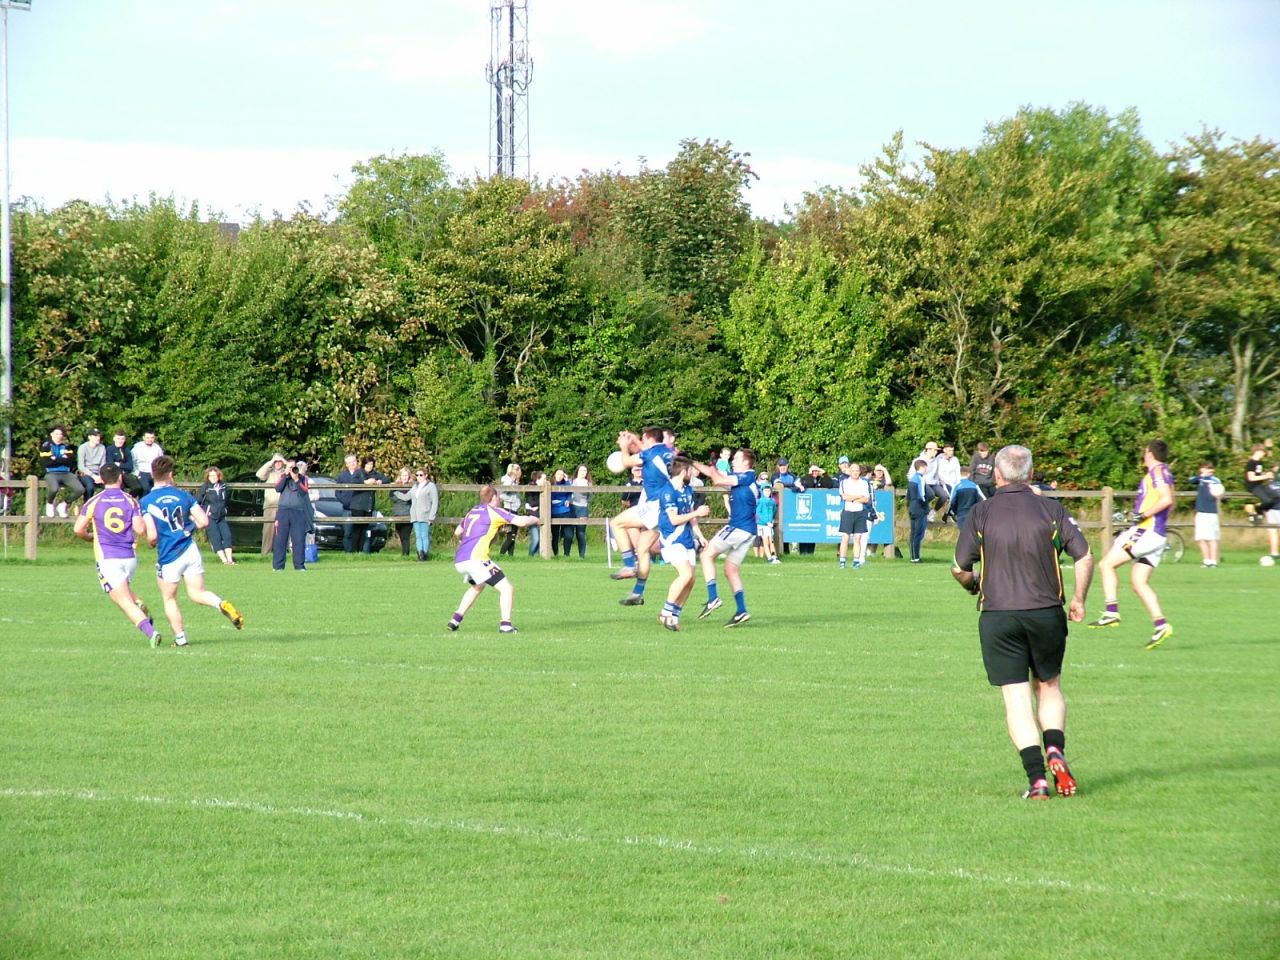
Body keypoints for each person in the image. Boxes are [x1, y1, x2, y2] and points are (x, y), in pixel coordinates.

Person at [952, 444, 1094, 800]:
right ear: (1031, 473)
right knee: (1048, 686)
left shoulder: (982, 512)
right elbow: (1085, 556)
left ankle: (1038, 781)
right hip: (1046, 611)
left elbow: (959, 567)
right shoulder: (1052, 509)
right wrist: (1079, 599)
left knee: (1016, 699)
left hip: (999, 615)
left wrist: (974, 585)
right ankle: (1055, 750)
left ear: (995, 474)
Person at [141, 455, 244, 646]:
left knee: (169, 598)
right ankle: (221, 604)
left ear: (152, 475)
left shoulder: (147, 501)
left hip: (169, 555)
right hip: (190, 550)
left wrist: (150, 542)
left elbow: (153, 535)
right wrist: (189, 528)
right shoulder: (184, 495)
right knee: (197, 593)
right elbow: (204, 521)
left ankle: (180, 639)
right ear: (170, 475)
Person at [1088, 439, 1176, 649]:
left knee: (1106, 565)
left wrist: (1144, 515)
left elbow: (1166, 500)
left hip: (1146, 532)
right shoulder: (1166, 473)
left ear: (1150, 454)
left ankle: (1111, 612)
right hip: (1157, 535)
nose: (1144, 456)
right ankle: (1161, 624)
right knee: (1139, 582)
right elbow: (1171, 503)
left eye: (1145, 452)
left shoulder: (1156, 472)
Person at [73, 463, 161, 648]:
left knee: (122, 601)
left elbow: (78, 529)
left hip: (108, 558)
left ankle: (151, 632)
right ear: (120, 478)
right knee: (123, 590)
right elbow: (139, 529)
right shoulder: (130, 500)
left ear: (102, 479)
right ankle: (139, 603)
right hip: (129, 557)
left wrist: (90, 537)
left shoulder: (94, 501)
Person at [447, 484, 538, 634]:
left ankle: (455, 620)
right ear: (494, 497)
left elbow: (458, 532)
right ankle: (506, 625)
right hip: (477, 560)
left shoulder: (472, 511)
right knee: (506, 588)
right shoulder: (494, 511)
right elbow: (521, 522)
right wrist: (535, 519)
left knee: (477, 586)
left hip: (460, 560)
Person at [694, 447, 760, 627]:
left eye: (737, 458)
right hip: (748, 531)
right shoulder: (739, 478)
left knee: (706, 555)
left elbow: (716, 480)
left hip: (738, 527)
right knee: (730, 569)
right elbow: (715, 475)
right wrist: (691, 462)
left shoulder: (746, 476)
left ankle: (713, 597)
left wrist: (709, 469)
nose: (733, 460)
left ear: (746, 462)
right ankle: (741, 610)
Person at [609, 427, 674, 589]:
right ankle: (637, 593)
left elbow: (626, 462)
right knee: (643, 549)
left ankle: (629, 565)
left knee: (616, 523)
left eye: (643, 439)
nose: (642, 442)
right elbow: (646, 450)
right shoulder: (666, 451)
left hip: (655, 505)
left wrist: (624, 447)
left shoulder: (649, 454)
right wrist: (634, 439)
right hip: (666, 505)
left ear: (650, 439)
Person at [654, 457, 711, 630]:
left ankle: (674, 615)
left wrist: (700, 536)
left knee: (691, 579)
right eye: (691, 470)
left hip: (686, 539)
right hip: (672, 539)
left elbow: (690, 516)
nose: (693, 473)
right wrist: (698, 512)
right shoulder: (668, 491)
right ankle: (665, 613)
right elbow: (673, 519)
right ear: (684, 472)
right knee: (685, 575)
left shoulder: (687, 490)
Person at [272, 458, 311, 572]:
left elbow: (304, 492)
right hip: (283, 512)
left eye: (293, 467)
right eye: (289, 467)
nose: (292, 469)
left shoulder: (303, 478)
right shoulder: (283, 477)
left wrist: (296, 479)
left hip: (298, 512)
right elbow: (277, 488)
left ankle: (299, 566)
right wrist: (286, 475)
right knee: (280, 540)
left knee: (298, 539)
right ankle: (278, 566)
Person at [39, 425, 85, 518]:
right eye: (56, 434)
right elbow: (46, 463)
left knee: (80, 489)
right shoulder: (46, 446)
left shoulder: (66, 446)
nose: (59, 436)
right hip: (51, 473)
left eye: (60, 434)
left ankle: (64, 504)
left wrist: (55, 459)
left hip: (66, 473)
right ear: (52, 434)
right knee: (54, 488)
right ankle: (49, 504)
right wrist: (61, 459)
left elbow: (70, 461)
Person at [196, 466, 236, 565]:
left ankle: (230, 560)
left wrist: (225, 510)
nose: (213, 477)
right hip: (210, 517)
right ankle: (224, 560)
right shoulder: (205, 487)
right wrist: (204, 513)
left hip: (221, 516)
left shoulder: (223, 486)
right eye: (211, 476)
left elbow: (227, 500)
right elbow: (197, 501)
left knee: (227, 536)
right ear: (208, 477)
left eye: (215, 475)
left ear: (219, 476)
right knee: (216, 538)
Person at [837, 460, 871, 569]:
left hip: (860, 513)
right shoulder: (844, 482)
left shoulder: (864, 483)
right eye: (853, 471)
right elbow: (845, 497)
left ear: (860, 472)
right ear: (849, 472)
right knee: (845, 537)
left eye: (857, 471)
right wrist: (857, 497)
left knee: (858, 538)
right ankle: (842, 560)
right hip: (848, 512)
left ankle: (856, 560)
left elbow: (866, 499)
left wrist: (853, 498)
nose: (855, 473)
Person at [1192, 462, 1223, 568]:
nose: (1207, 471)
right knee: (1202, 538)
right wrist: (1201, 476)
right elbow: (1191, 480)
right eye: (1205, 468)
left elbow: (1219, 492)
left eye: (1209, 469)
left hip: (1211, 512)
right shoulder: (1200, 479)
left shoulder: (1215, 480)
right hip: (1200, 512)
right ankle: (1206, 560)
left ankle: (1213, 561)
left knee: (1212, 538)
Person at [256, 452, 288, 555]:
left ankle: (282, 553)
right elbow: (259, 474)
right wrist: (270, 462)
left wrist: (285, 462)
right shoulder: (269, 473)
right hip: (270, 506)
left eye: (280, 461)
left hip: (285, 506)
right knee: (268, 531)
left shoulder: (287, 472)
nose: (278, 463)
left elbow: (296, 471)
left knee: (284, 530)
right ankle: (265, 553)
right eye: (276, 461)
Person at [335, 454, 366, 553]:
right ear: (346, 464)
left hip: (359, 508)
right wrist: (344, 500)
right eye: (350, 462)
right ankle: (348, 553)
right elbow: (337, 491)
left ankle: (359, 552)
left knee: (359, 532)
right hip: (347, 508)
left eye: (354, 461)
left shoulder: (362, 473)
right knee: (347, 533)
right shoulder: (342, 476)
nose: (353, 463)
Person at [906, 458, 930, 563]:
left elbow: (908, 495)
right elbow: (922, 495)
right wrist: (926, 506)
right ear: (922, 467)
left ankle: (913, 556)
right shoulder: (920, 479)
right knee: (918, 532)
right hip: (919, 507)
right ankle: (916, 557)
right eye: (925, 467)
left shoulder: (912, 479)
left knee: (913, 532)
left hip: (912, 506)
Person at [754, 472, 781, 564]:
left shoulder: (772, 501)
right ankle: (769, 558)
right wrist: (766, 522)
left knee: (771, 540)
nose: (767, 492)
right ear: (762, 491)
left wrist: (771, 520)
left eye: (769, 491)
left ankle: (774, 556)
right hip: (762, 524)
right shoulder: (760, 501)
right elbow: (758, 513)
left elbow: (773, 510)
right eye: (765, 491)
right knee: (765, 540)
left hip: (769, 523)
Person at [105, 431, 142, 496]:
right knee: (119, 489)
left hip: (126, 473)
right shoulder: (110, 449)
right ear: (114, 439)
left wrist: (119, 464)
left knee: (137, 487)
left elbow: (130, 466)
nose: (120, 441)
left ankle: (129, 499)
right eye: (118, 439)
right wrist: (123, 466)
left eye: (122, 439)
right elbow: (111, 465)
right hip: (115, 474)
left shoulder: (126, 450)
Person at [497, 462, 523, 557]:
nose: (518, 471)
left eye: (518, 469)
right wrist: (511, 500)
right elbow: (502, 495)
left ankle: (511, 556)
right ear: (511, 470)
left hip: (514, 509)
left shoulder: (515, 481)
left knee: (513, 535)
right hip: (508, 509)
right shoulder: (507, 481)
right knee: (510, 535)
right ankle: (501, 554)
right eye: (516, 469)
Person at [77, 428, 107, 500]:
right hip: (86, 473)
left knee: (109, 487)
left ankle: (104, 507)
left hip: (99, 473)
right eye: (95, 436)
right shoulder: (82, 447)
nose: (98, 438)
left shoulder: (102, 448)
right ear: (89, 437)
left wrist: (100, 476)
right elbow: (81, 466)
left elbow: (103, 464)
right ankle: (86, 506)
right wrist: (94, 476)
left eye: (98, 436)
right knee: (90, 487)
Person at [568, 464, 591, 558]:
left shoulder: (588, 483)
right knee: (569, 532)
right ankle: (566, 555)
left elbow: (590, 497)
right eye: (581, 470)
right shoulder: (571, 482)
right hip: (572, 507)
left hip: (583, 508)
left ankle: (582, 555)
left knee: (580, 532)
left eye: (585, 470)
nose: (583, 472)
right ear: (577, 471)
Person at [391, 466, 414, 557]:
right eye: (403, 475)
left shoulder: (412, 486)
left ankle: (406, 554)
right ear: (400, 476)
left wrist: (398, 495)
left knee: (405, 536)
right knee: (400, 535)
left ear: (409, 476)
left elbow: (408, 498)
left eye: (406, 475)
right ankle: (404, 553)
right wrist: (401, 496)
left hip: (408, 514)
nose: (404, 477)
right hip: (397, 514)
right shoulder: (395, 486)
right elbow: (392, 497)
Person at [550, 468, 573, 556]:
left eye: (562, 474)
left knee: (568, 535)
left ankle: (566, 554)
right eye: (558, 474)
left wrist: (567, 481)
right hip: (554, 512)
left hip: (565, 511)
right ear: (554, 475)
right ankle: (556, 554)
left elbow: (570, 492)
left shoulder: (566, 484)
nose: (560, 476)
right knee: (555, 535)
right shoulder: (550, 484)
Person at [935, 443, 961, 520]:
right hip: (943, 483)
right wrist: (945, 484)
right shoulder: (939, 459)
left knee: (958, 497)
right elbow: (939, 474)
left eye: (952, 450)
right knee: (949, 497)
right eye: (949, 450)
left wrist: (959, 483)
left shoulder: (955, 459)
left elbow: (957, 472)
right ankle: (934, 512)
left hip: (954, 483)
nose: (951, 452)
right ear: (944, 450)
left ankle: (947, 514)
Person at [525, 469, 546, 556]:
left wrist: (536, 506)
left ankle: (536, 556)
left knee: (540, 539)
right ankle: (530, 555)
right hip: (533, 516)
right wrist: (537, 505)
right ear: (538, 479)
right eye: (543, 479)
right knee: (536, 538)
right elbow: (531, 503)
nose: (545, 481)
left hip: (540, 515)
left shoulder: (544, 490)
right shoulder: (531, 488)